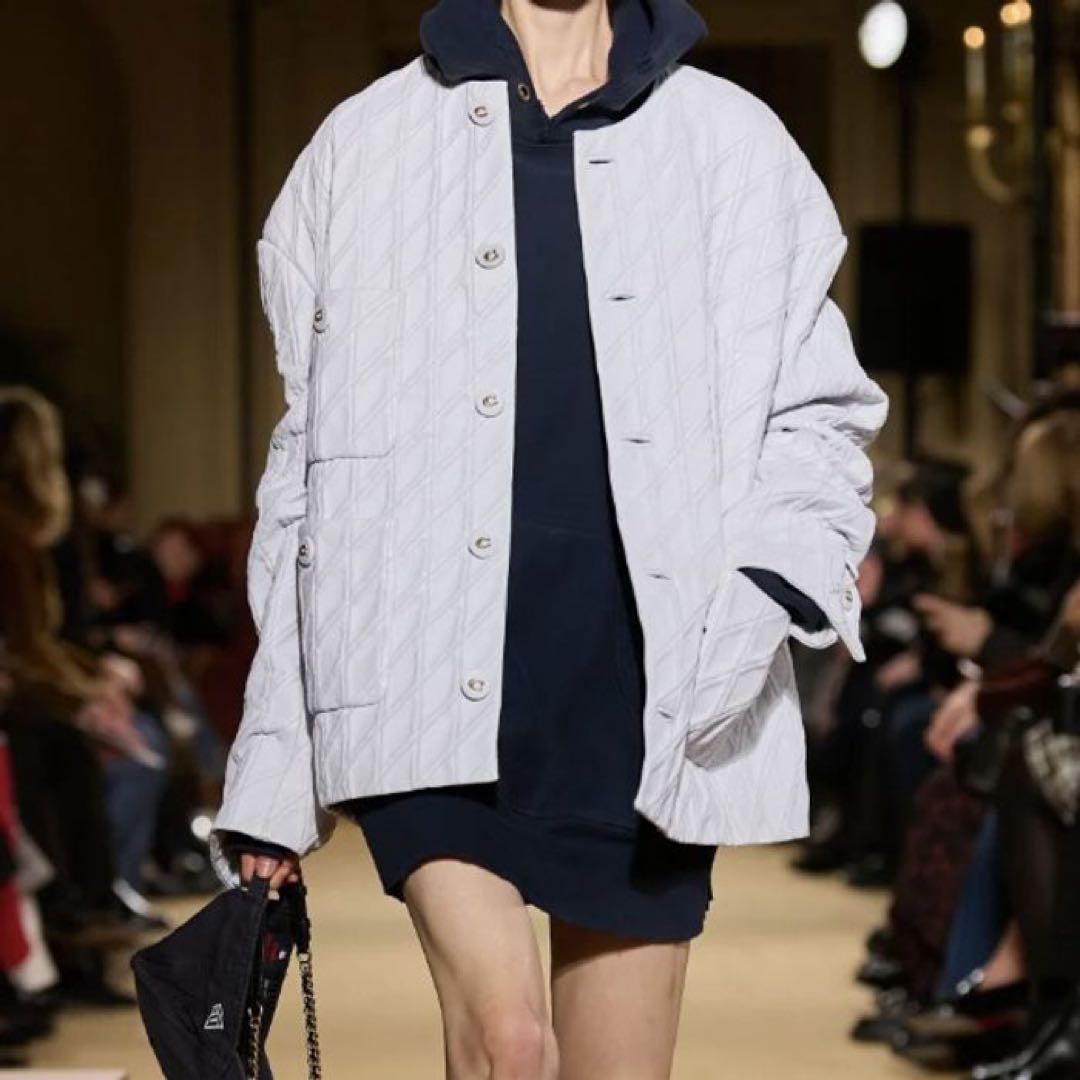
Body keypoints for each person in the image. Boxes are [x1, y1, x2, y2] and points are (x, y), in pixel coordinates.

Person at [211, 0, 887, 1074]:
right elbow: (309, 478)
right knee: (510, 1043)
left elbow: (821, 414)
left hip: (647, 688)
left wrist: (768, 587)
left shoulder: (733, 143)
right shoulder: (365, 145)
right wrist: (272, 775)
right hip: (418, 668)